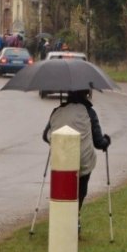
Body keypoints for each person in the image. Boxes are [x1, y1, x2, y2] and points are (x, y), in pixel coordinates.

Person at [42, 90, 111, 224]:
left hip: (61, 162)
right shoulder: (89, 112)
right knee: (81, 187)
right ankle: (76, 215)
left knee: (64, 188)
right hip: (83, 162)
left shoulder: (57, 111)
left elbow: (46, 135)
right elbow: (98, 142)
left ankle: (63, 218)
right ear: (86, 93)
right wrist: (106, 142)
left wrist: (57, 141)